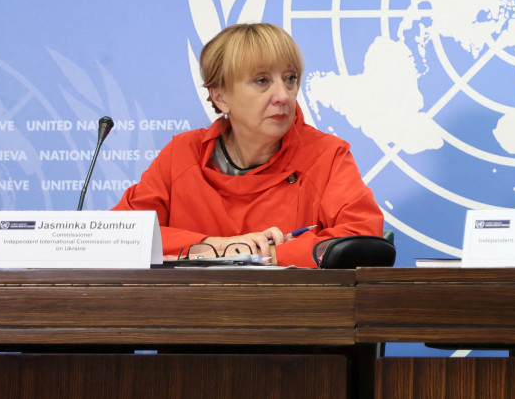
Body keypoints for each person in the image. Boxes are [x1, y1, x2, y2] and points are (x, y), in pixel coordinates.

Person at [114, 23, 383, 267]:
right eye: (262, 81)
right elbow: (121, 235)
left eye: (290, 79)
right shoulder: (183, 154)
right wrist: (218, 246)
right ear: (221, 98)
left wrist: (265, 256)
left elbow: (363, 240)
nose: (283, 96)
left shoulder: (326, 155)